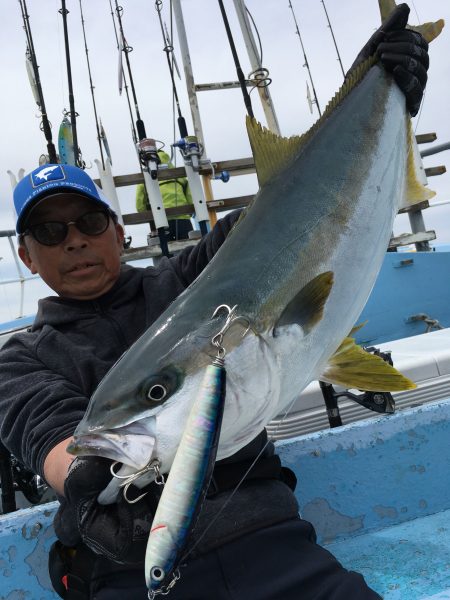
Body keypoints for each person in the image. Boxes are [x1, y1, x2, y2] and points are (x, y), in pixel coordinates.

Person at [0, 6, 430, 599]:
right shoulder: (21, 358)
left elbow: (279, 220)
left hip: (269, 540)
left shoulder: (187, 281)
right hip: (129, 567)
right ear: (26, 257)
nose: (73, 239)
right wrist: (79, 473)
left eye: (89, 220)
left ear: (118, 231)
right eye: (48, 233)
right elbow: (49, 434)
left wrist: (383, 85)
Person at [135, 149, 194, 242]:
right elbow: (190, 196)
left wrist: (150, 216)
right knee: (190, 251)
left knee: (166, 253)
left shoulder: (146, 177)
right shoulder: (179, 174)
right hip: (184, 220)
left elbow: (140, 205)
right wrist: (188, 212)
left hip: (161, 221)